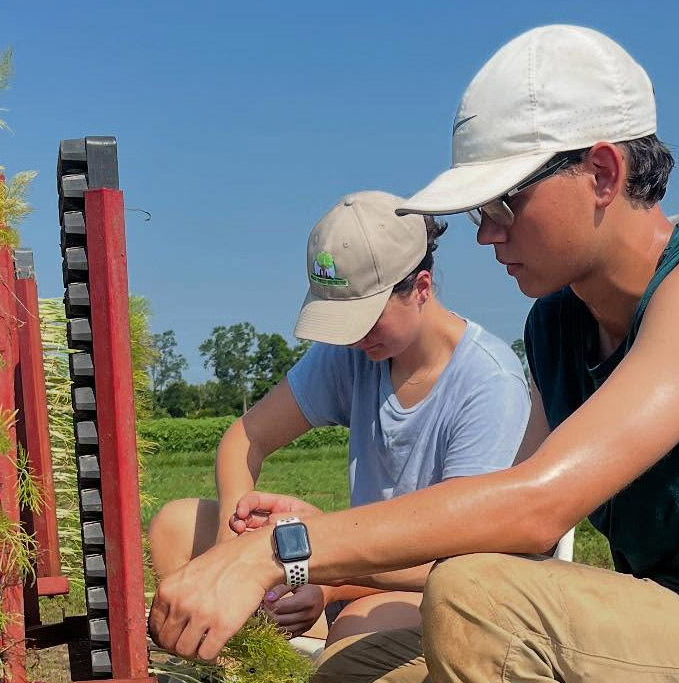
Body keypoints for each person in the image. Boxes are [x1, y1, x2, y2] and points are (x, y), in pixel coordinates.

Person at [150, 25, 679, 683]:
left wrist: (283, 550)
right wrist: (331, 551)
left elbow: (536, 509)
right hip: (657, 628)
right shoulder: (559, 328)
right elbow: (507, 531)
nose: (486, 234)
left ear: (602, 170)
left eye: (503, 202)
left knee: (480, 602)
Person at [147, 190, 531, 645]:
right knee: (176, 526)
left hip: (441, 591)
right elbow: (244, 439)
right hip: (350, 566)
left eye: (365, 320)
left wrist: (326, 580)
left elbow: (463, 559)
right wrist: (232, 550)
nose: (353, 340)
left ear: (421, 288)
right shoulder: (356, 355)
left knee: (355, 628)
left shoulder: (489, 383)